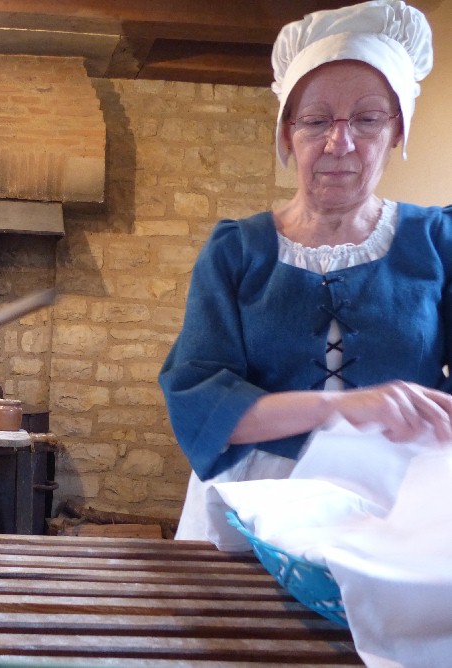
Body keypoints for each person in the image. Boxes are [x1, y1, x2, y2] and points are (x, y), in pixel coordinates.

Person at [158, 0, 452, 549]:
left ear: (395, 132)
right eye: (317, 120)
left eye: (366, 119)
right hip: (252, 509)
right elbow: (200, 401)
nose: (339, 143)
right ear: (289, 134)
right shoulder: (236, 252)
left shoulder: (438, 243)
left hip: (396, 512)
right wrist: (342, 407)